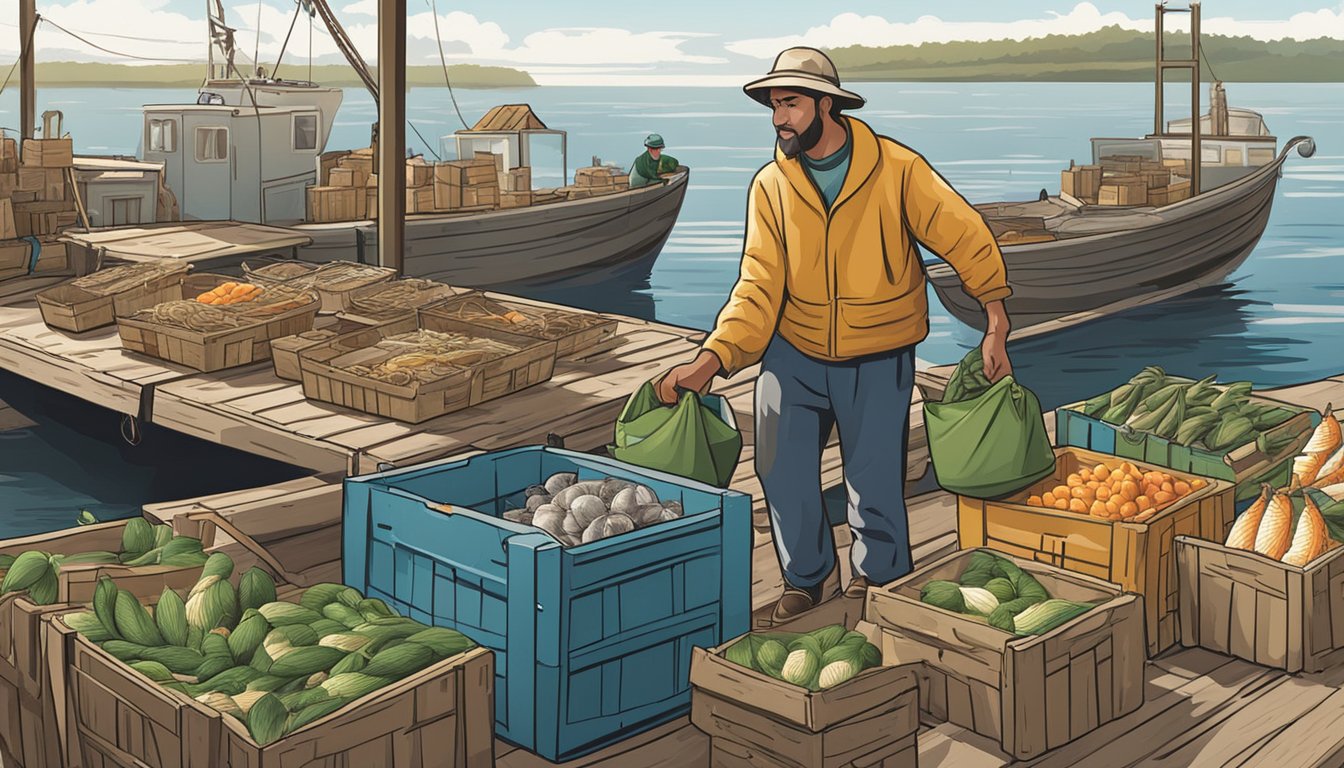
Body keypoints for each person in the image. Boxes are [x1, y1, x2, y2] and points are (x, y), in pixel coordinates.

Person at [657, 47, 1015, 624]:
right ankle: (806, 577)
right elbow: (757, 286)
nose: (780, 119)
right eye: (775, 106)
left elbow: (962, 234)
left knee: (874, 477)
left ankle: (877, 578)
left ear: (826, 104)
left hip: (878, 354)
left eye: (792, 104)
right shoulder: (771, 186)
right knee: (779, 471)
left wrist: (995, 320)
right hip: (791, 353)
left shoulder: (897, 169)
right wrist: (713, 359)